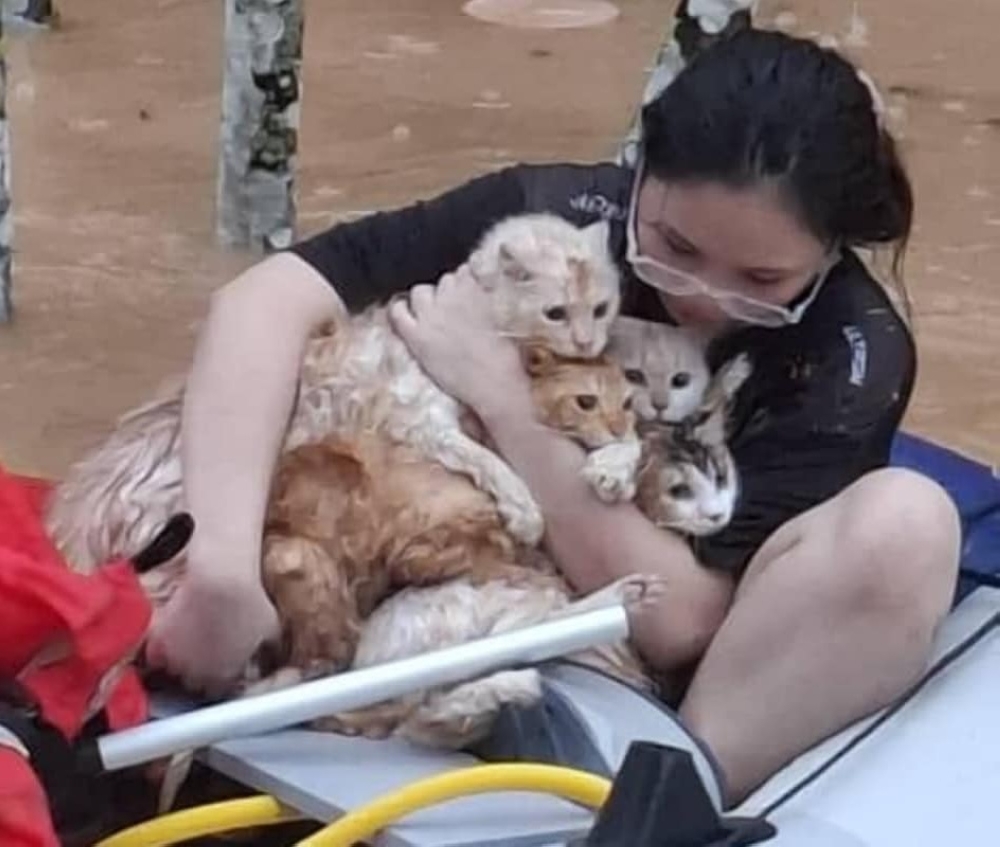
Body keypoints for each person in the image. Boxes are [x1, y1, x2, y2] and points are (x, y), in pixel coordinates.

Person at [144, 29, 961, 804]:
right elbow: (265, 300)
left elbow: (679, 616)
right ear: (641, 174)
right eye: (676, 248)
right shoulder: (556, 224)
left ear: (829, 253)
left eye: (760, 279)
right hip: (442, 567)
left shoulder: (850, 351)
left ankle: (659, 804)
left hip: (677, 662)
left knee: (910, 524)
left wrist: (503, 395)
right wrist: (223, 568)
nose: (702, 297)